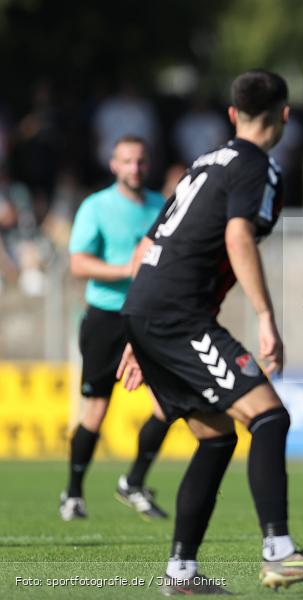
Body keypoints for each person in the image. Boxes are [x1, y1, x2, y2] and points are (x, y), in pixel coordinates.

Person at [117, 70, 303, 593]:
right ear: (285, 116)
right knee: (269, 417)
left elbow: (146, 248)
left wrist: (137, 334)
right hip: (178, 315)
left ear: (231, 115)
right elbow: (238, 234)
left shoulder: (203, 163)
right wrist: (267, 317)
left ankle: (180, 574)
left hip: (148, 310)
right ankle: (279, 551)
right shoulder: (257, 166)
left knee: (218, 438)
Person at [60, 135, 170, 522]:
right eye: (127, 161)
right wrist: (127, 270)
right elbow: (78, 264)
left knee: (168, 404)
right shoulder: (97, 206)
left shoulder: (161, 206)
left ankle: (134, 482)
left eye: (140, 161)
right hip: (106, 317)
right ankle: (73, 494)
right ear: (113, 165)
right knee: (96, 408)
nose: (134, 168)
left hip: (150, 319)